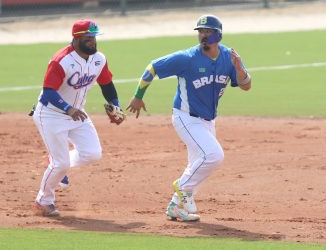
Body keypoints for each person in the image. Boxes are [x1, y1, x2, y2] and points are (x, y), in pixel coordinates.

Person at [127, 14, 251, 221]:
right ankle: (182, 187)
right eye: (200, 31)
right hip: (186, 118)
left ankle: (176, 207)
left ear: (218, 34)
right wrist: (138, 96)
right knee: (213, 156)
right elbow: (153, 67)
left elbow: (246, 86)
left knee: (196, 164)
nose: (203, 35)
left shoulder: (229, 57)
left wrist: (239, 69)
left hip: (208, 120)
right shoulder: (187, 58)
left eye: (208, 31)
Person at [32, 19, 124, 216]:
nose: (93, 41)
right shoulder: (61, 60)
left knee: (92, 154)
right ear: (76, 38)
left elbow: (106, 84)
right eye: (88, 38)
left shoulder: (99, 59)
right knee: (61, 163)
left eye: (94, 37)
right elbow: (48, 92)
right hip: (51, 114)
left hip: (77, 113)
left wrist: (115, 105)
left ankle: (56, 163)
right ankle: (44, 200)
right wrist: (67, 109)